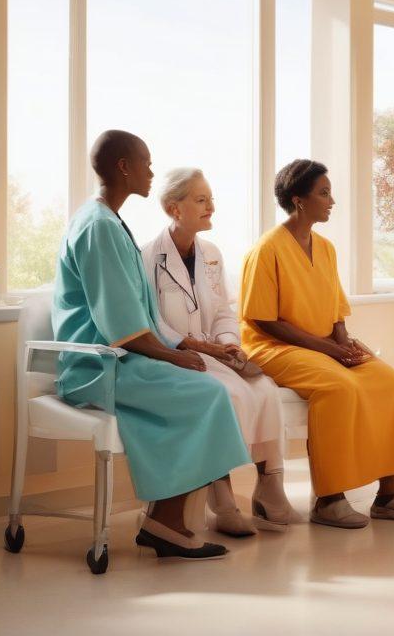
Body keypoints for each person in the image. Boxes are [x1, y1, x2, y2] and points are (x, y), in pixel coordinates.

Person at [53, 130, 249, 560]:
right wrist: (174, 355)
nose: (151, 171)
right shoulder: (99, 227)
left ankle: (166, 520)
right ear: (124, 166)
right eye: (146, 162)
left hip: (118, 360)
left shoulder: (109, 221)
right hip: (95, 367)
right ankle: (167, 523)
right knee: (208, 394)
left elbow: (134, 317)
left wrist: (181, 353)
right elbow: (121, 324)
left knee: (207, 389)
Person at [239, 159, 394, 529]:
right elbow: (263, 320)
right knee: (338, 387)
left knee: (385, 379)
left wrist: (343, 341)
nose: (332, 201)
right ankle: (329, 499)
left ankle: (389, 494)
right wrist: (328, 350)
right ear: (299, 201)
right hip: (273, 347)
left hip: (324, 343)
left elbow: (335, 308)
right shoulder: (266, 250)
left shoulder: (325, 248)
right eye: (324, 193)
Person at [143, 168, 299, 537]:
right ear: (173, 208)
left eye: (210, 198)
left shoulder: (211, 254)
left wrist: (228, 343)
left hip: (215, 353)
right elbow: (152, 323)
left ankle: (269, 485)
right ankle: (221, 494)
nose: (211, 206)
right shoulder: (148, 257)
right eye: (201, 199)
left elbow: (225, 311)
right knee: (227, 396)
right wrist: (201, 347)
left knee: (265, 390)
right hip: (179, 356)